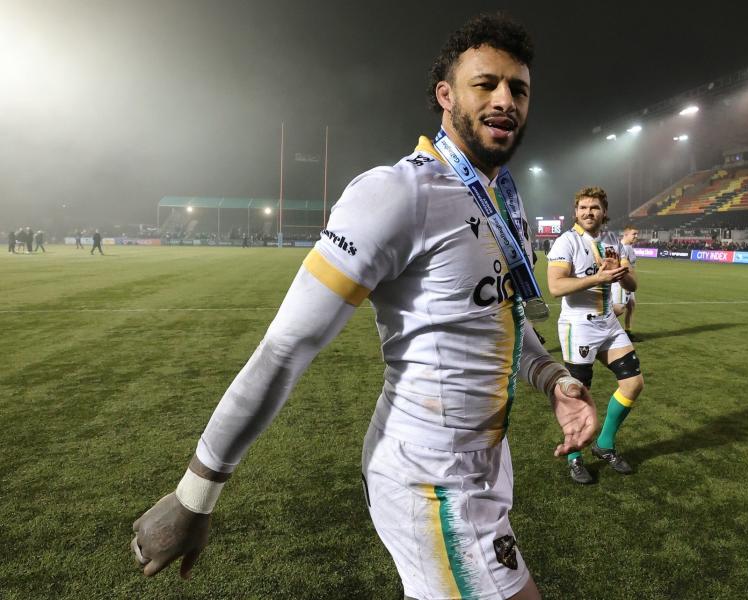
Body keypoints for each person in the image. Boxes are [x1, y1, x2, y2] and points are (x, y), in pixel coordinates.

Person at [129, 14, 597, 600]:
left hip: (485, 463)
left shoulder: (503, 198)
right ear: (445, 95)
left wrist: (553, 379)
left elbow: (503, 315)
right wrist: (194, 496)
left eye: (518, 88)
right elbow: (286, 346)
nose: (505, 100)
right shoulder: (397, 193)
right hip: (430, 477)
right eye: (486, 84)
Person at [546, 187, 644, 485]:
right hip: (580, 325)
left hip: (608, 323)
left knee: (633, 383)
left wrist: (618, 273)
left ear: (604, 211)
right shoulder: (567, 241)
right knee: (576, 395)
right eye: (583, 207)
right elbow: (556, 287)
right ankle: (575, 458)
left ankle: (604, 444)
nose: (589, 212)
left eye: (595, 207)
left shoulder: (613, 241)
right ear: (576, 212)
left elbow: (632, 284)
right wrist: (598, 278)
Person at [611, 225, 640, 342]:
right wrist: (629, 281)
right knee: (619, 308)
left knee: (631, 305)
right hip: (623, 282)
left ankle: (627, 332)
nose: (636, 236)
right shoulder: (622, 247)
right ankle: (598, 324)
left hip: (628, 281)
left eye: (637, 234)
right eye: (634, 234)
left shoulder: (628, 247)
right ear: (626, 234)